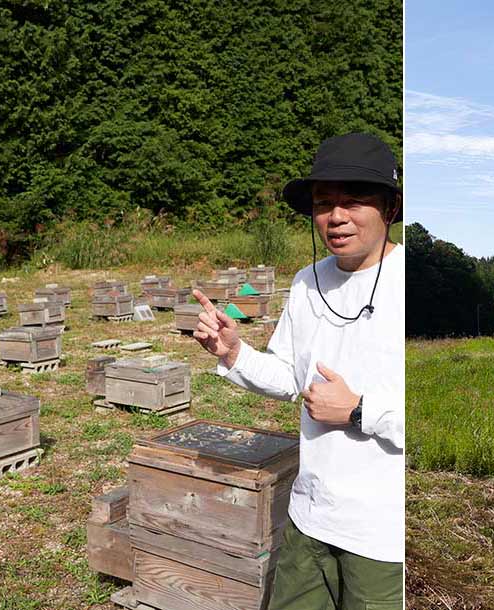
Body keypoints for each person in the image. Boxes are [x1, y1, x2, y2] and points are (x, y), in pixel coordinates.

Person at [192, 132, 404, 610]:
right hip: (311, 514)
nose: (336, 216)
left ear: (389, 208)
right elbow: (292, 377)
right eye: (324, 203)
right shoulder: (307, 282)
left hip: (381, 534)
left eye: (353, 200)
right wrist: (233, 353)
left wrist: (358, 411)